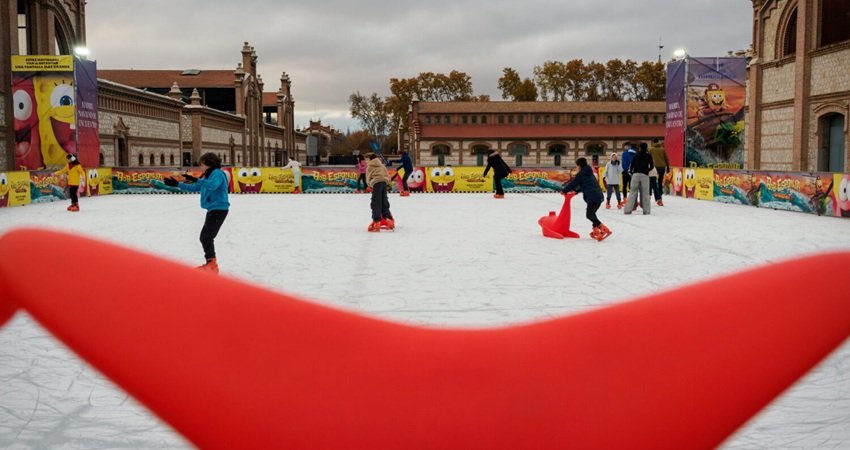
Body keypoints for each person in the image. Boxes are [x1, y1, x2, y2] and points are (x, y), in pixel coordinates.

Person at [164, 152, 230, 273]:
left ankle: (212, 265)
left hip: (219, 208)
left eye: (202, 164)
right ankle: (211, 263)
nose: (200, 167)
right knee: (205, 237)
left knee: (206, 237)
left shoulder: (217, 174)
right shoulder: (207, 175)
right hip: (213, 208)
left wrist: (195, 179)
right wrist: (177, 184)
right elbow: (195, 187)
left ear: (208, 163)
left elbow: (213, 186)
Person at [562, 158, 611, 241]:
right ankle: (596, 231)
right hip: (599, 196)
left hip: (592, 197)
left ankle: (604, 229)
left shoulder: (581, 174)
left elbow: (574, 183)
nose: (576, 167)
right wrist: (576, 191)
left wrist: (564, 190)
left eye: (576, 166)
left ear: (579, 165)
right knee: (592, 214)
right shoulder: (589, 172)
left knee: (589, 215)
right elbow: (584, 184)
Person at [365, 152, 394, 232]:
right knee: (384, 201)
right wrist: (386, 182)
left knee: (376, 202)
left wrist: (370, 185)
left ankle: (377, 221)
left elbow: (368, 178)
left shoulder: (369, 166)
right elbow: (388, 175)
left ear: (369, 159)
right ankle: (388, 219)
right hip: (384, 183)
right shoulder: (382, 165)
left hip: (376, 183)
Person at [624, 143, 654, 215]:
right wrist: (647, 170)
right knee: (645, 193)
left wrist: (632, 172)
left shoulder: (636, 155)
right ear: (646, 148)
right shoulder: (648, 156)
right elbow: (652, 166)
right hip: (645, 175)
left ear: (640, 148)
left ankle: (628, 210)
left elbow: (631, 166)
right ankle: (646, 211)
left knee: (632, 193)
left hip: (635, 174)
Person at [649, 138, 670, 206]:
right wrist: (668, 167)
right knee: (660, 182)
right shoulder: (662, 149)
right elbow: (666, 158)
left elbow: (648, 158)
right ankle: (660, 197)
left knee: (652, 182)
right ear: (658, 142)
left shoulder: (651, 149)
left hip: (654, 167)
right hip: (662, 167)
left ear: (653, 142)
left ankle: (649, 196)